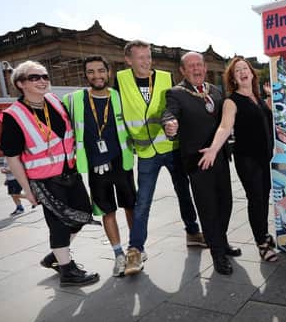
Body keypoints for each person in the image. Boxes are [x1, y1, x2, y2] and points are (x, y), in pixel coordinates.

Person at [0, 60, 99, 286]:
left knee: (82, 213)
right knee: (59, 223)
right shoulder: (14, 115)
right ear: (21, 83)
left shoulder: (54, 101)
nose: (43, 81)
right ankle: (67, 270)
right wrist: (28, 190)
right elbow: (13, 157)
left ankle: (56, 256)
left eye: (45, 76)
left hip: (70, 173)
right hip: (44, 180)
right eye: (35, 77)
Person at [115, 40, 205, 276]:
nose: (146, 61)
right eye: (140, 57)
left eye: (148, 56)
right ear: (129, 60)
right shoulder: (120, 79)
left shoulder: (165, 77)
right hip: (145, 152)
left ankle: (193, 232)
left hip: (170, 146)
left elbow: (175, 105)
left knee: (183, 192)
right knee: (142, 201)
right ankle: (135, 249)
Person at [162, 52, 235, 274]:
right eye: (191, 66)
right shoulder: (175, 93)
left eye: (200, 65)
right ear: (183, 71)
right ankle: (217, 253)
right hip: (198, 161)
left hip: (220, 157)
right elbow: (169, 114)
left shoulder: (214, 90)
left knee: (226, 203)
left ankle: (220, 241)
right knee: (208, 207)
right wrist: (170, 124)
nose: (197, 69)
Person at [63, 55, 136, 277]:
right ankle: (118, 255)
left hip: (121, 162)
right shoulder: (73, 100)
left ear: (108, 72)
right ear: (85, 75)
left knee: (131, 207)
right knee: (107, 211)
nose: (96, 76)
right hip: (96, 166)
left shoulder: (119, 96)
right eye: (91, 72)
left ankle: (135, 249)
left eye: (100, 71)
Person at [203, 57, 277, 262]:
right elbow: (225, 127)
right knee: (256, 200)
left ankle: (264, 233)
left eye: (246, 68)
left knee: (264, 197)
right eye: (238, 71)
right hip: (248, 159)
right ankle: (262, 243)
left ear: (252, 73)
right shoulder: (231, 101)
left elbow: (266, 116)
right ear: (234, 78)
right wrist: (213, 149)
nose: (243, 72)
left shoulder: (257, 97)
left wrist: (270, 97)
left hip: (265, 158)